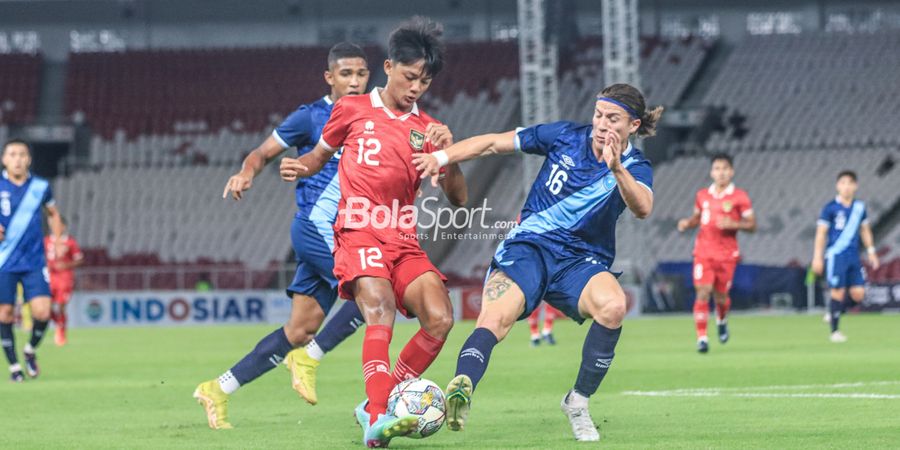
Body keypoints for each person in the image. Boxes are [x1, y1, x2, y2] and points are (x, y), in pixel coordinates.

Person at [413, 83, 660, 442]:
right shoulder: (563, 135)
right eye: (598, 114)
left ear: (633, 126)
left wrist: (617, 169)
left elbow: (643, 209)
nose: (602, 124)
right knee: (495, 319)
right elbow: (493, 143)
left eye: (613, 118)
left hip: (579, 260)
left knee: (614, 306)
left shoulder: (637, 166)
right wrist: (442, 158)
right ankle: (462, 385)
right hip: (529, 247)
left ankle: (577, 402)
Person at [280, 17, 467, 447]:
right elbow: (318, 155)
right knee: (379, 308)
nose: (416, 87)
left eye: (424, 80)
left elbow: (458, 198)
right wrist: (299, 166)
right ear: (388, 66)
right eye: (409, 76)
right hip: (359, 230)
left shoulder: (429, 129)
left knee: (440, 319)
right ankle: (379, 418)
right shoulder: (351, 109)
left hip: (403, 238)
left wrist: (448, 155)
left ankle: (377, 402)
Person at [193, 42, 373, 429]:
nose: (355, 82)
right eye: (346, 74)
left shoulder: (375, 118)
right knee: (374, 294)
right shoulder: (310, 117)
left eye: (361, 74)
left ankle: (217, 389)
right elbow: (261, 152)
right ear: (330, 77)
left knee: (299, 329)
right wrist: (246, 172)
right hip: (317, 229)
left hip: (348, 234)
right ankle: (313, 358)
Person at [0, 139, 65, 382]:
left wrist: (57, 241)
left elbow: (53, 214)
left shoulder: (40, 186)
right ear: (4, 159)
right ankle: (14, 366)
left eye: (22, 154)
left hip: (34, 261)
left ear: (29, 159)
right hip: (3, 261)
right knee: (4, 314)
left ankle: (29, 350)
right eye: (12, 154)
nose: (17, 159)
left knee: (43, 312)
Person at [676, 154, 755, 353]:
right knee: (702, 291)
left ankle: (721, 319)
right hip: (703, 251)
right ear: (712, 172)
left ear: (731, 171)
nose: (721, 172)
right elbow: (697, 217)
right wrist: (688, 223)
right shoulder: (702, 195)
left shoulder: (740, 196)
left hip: (727, 255)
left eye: (725, 168)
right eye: (717, 168)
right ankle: (702, 337)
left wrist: (734, 224)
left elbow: (752, 225)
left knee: (721, 296)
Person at [811, 170, 879, 343]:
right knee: (837, 292)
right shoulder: (830, 208)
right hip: (836, 255)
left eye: (850, 183)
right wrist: (817, 257)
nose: (846, 187)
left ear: (855, 186)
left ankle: (834, 311)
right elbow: (821, 234)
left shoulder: (859, 208)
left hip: (853, 256)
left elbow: (865, 230)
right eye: (843, 183)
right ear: (837, 186)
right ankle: (834, 332)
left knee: (859, 294)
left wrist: (871, 251)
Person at [44, 218, 83, 346]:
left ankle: (61, 331)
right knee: (44, 307)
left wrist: (66, 265)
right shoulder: (46, 241)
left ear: (63, 226)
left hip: (64, 278)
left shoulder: (70, 242)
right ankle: (59, 323)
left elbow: (79, 259)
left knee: (61, 306)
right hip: (49, 277)